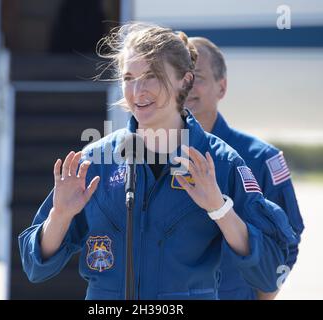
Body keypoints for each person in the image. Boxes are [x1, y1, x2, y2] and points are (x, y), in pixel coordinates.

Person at [18, 23, 296, 300]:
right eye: (128, 77)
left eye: (151, 76)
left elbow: (269, 274)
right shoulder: (96, 162)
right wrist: (61, 216)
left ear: (184, 81)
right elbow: (35, 267)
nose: (137, 91)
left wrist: (219, 209)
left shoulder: (221, 163)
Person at [185, 37, 304, 300]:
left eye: (199, 77)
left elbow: (288, 238)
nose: (188, 86)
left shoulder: (261, 158)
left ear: (222, 87)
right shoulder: (154, 156)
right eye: (182, 78)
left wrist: (265, 294)